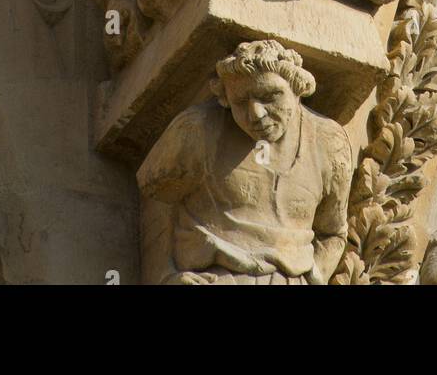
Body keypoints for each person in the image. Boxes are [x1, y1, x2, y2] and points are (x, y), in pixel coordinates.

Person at [137, 39, 352, 284]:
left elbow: (333, 232)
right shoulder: (198, 129)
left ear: (297, 88)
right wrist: (165, 275)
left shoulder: (329, 142)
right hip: (217, 277)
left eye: (270, 96)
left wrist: (315, 276)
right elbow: (154, 196)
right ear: (225, 100)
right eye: (240, 102)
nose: (256, 115)